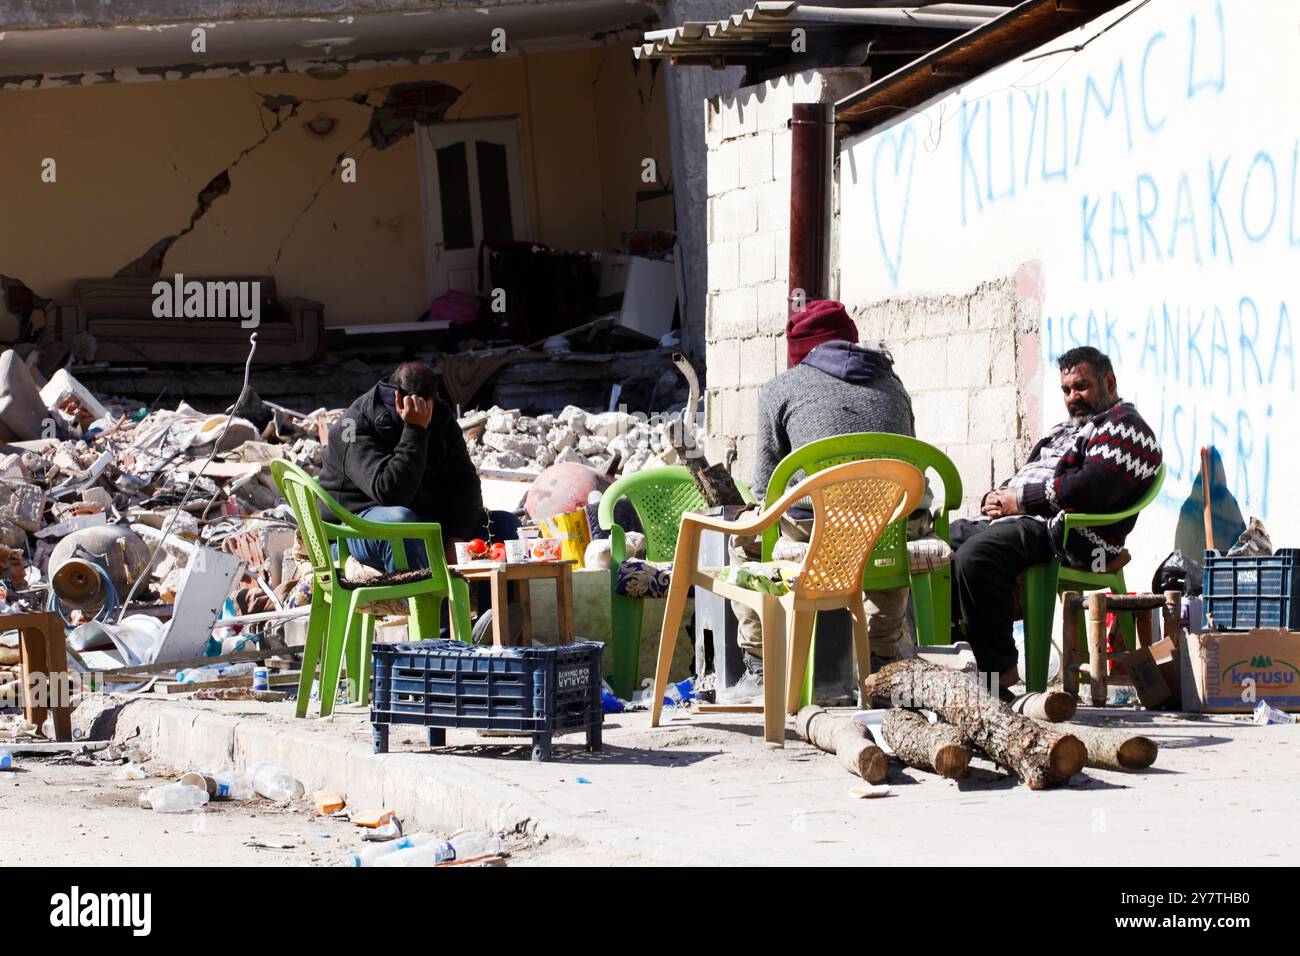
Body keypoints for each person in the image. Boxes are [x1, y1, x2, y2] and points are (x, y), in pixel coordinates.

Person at [948, 345, 1162, 699]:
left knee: (977, 557)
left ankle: (999, 678)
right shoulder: (1065, 429)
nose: (1073, 397)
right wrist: (998, 496)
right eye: (1066, 390)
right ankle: (959, 673)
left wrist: (1018, 500)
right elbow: (1033, 474)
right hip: (1022, 518)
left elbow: (1090, 487)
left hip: (1068, 533)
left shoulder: (1126, 427)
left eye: (1081, 387)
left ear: (1108, 381)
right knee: (945, 548)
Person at [732, 299, 921, 687]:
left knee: (744, 539)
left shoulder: (780, 389)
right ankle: (883, 656)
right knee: (883, 536)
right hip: (891, 526)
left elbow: (766, 488)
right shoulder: (894, 385)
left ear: (800, 354)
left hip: (817, 531)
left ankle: (759, 665)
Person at [318, 361, 521, 635]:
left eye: (431, 407)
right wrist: (415, 430)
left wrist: (457, 536)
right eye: (422, 409)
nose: (429, 414)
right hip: (357, 529)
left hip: (425, 525)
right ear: (400, 400)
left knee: (505, 526)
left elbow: (466, 484)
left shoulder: (440, 415)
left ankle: (495, 630)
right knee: (403, 522)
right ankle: (438, 637)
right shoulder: (352, 424)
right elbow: (389, 493)